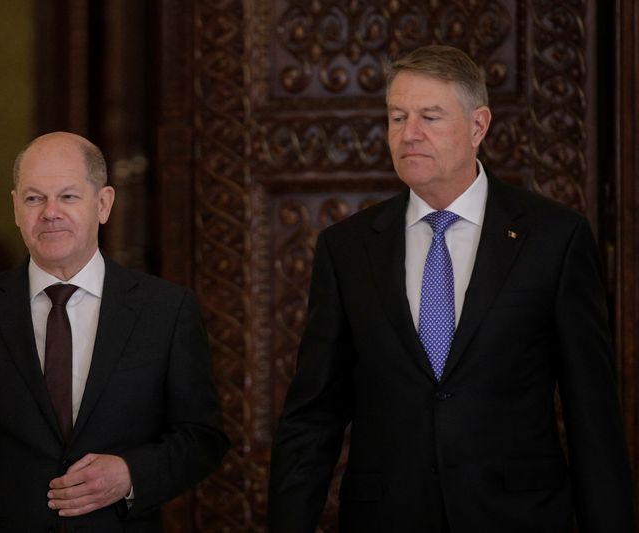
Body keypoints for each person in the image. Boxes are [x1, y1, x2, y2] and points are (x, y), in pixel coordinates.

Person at [268, 45, 634, 532]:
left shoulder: (554, 239)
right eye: (397, 117)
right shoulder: (348, 248)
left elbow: (593, 415)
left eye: (430, 117)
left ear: (478, 125)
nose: (409, 134)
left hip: (518, 517)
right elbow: (314, 414)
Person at [0, 131, 229, 532]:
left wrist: (130, 474)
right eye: (34, 198)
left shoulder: (167, 311)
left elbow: (202, 438)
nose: (49, 212)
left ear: (103, 203)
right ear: (16, 208)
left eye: (68, 196)